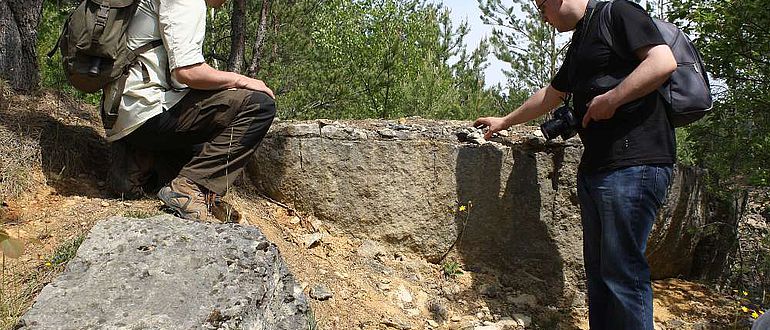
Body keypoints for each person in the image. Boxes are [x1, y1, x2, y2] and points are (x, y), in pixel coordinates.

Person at [474, 0, 677, 328]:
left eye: (542, 8)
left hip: (634, 165)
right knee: (599, 275)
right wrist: (505, 122)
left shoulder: (619, 13)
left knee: (622, 274)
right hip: (597, 168)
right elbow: (552, 95)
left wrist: (612, 98)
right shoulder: (583, 37)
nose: (543, 18)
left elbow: (663, 62)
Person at [103, 0, 276, 222]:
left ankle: (136, 166)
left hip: (125, 112)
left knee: (202, 148)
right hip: (146, 111)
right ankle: (187, 187)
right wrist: (241, 80)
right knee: (259, 106)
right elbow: (188, 72)